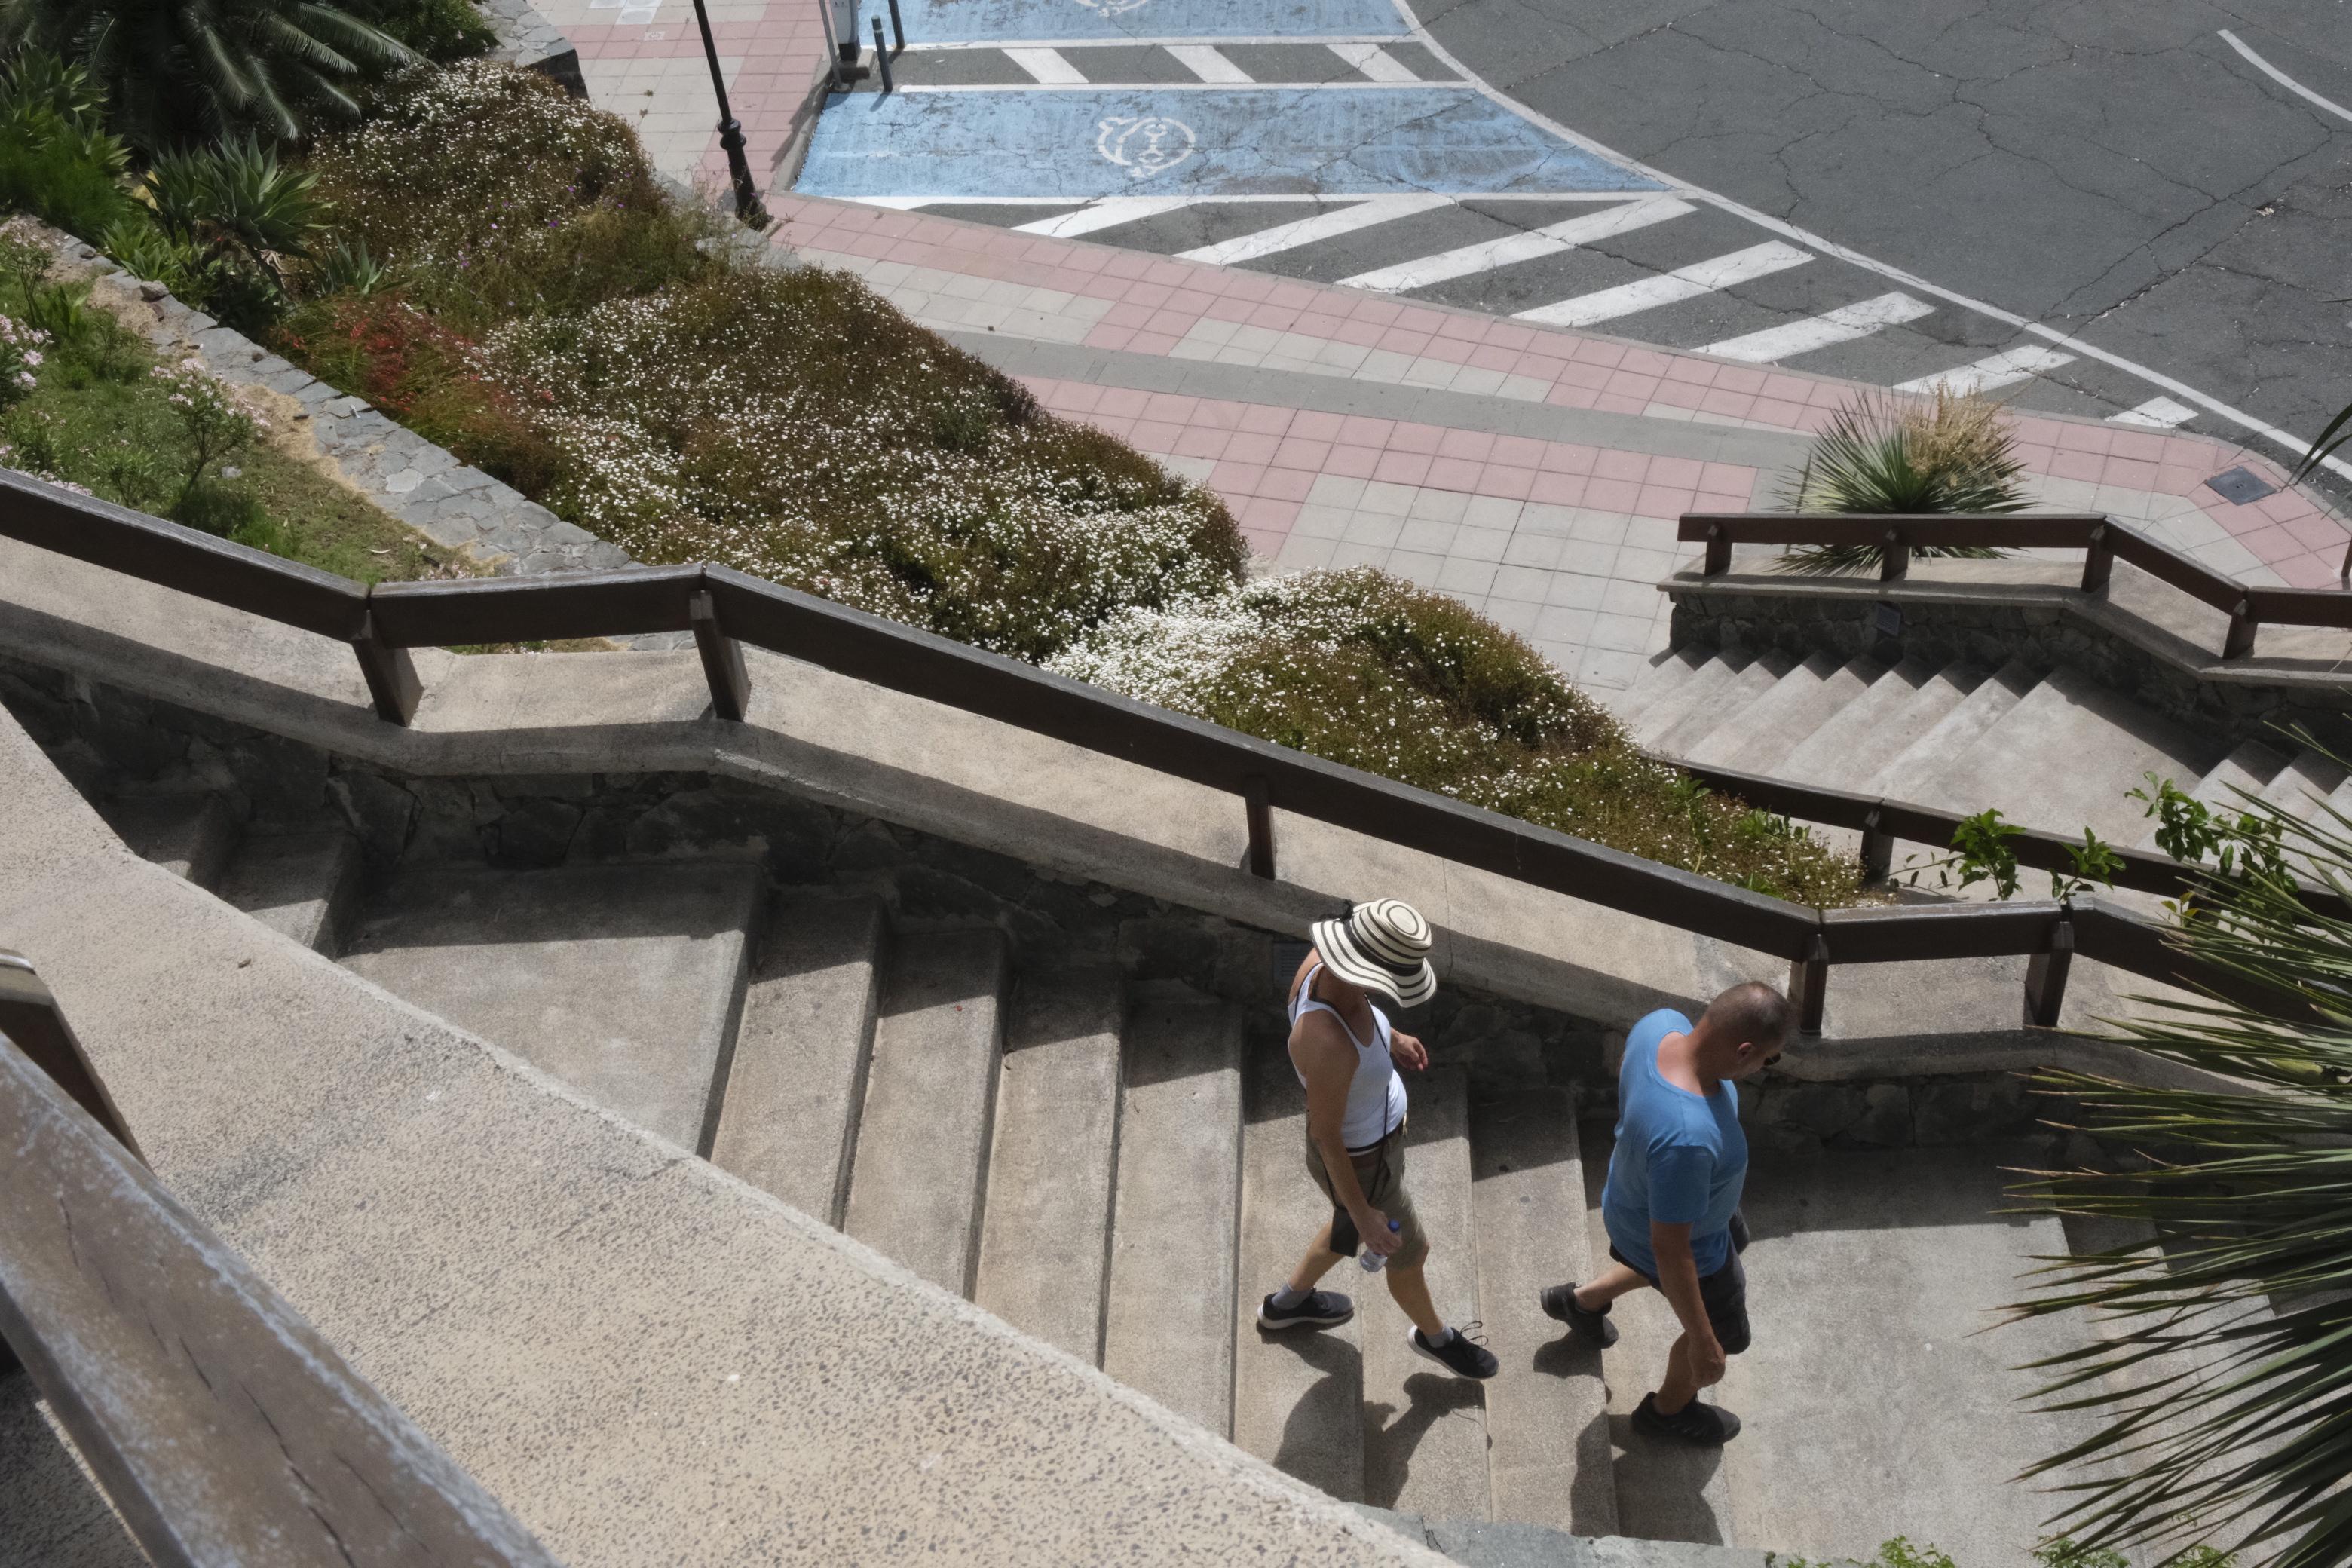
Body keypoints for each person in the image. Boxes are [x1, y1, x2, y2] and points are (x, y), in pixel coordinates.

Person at [1539, 982, 1793, 1444]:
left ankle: (1578, 1302)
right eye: (1768, 1060)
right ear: (1744, 1050)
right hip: (1685, 1238)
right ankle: (1667, 1413)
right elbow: (1671, 1251)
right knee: (1725, 1334)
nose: (1764, 1069)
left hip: (1634, 1200)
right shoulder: (1687, 1138)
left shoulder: (1661, 1025)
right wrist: (1702, 1341)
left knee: (1712, 1246)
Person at [1254, 898, 1497, 1380]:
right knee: (1410, 1251)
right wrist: (1365, 1212)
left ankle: (1285, 1305)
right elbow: (1326, 1135)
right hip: (1366, 1163)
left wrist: (1392, 1037)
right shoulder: (1329, 1044)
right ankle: (1437, 1338)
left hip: (1374, 1153)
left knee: (1347, 1227)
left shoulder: (1316, 967)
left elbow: (1359, 1019)